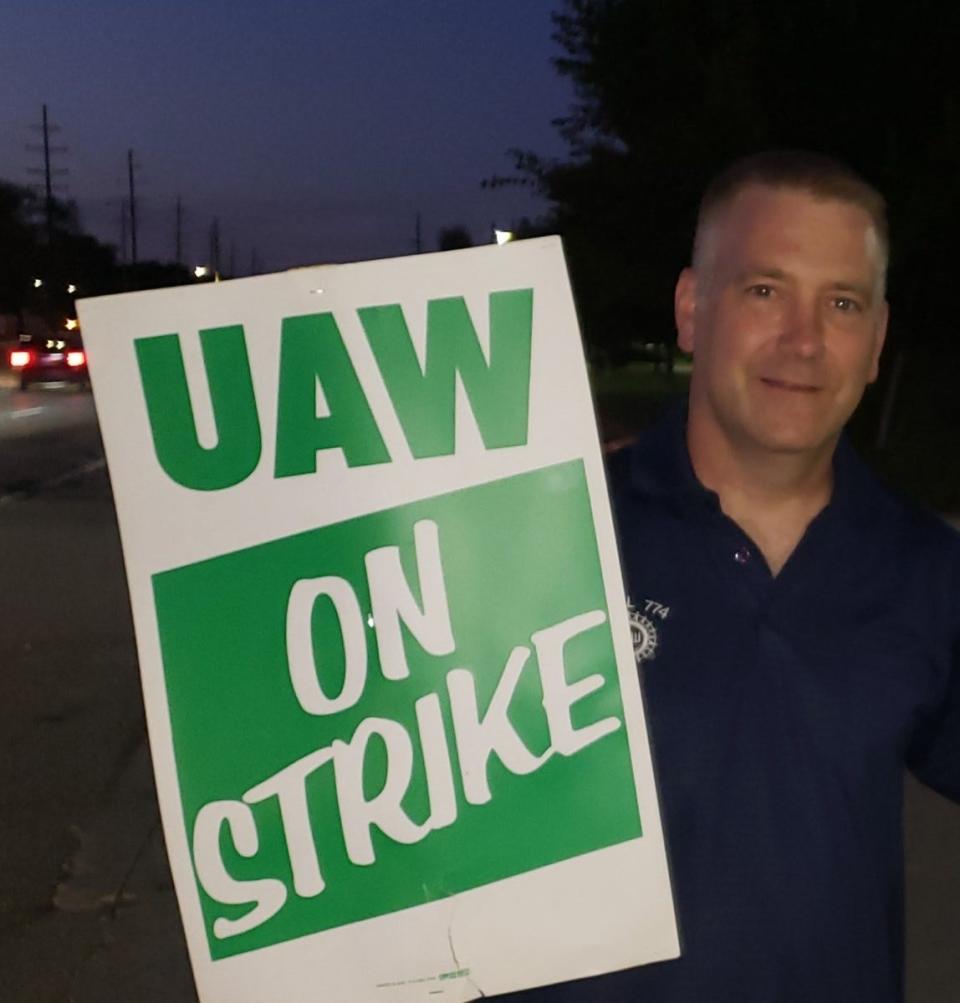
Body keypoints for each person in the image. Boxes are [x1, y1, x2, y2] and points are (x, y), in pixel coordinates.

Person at [501, 151, 960, 1001]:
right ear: (690, 308)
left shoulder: (928, 569)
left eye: (843, 303)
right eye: (763, 290)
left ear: (876, 342)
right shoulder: (536, 534)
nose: (804, 339)